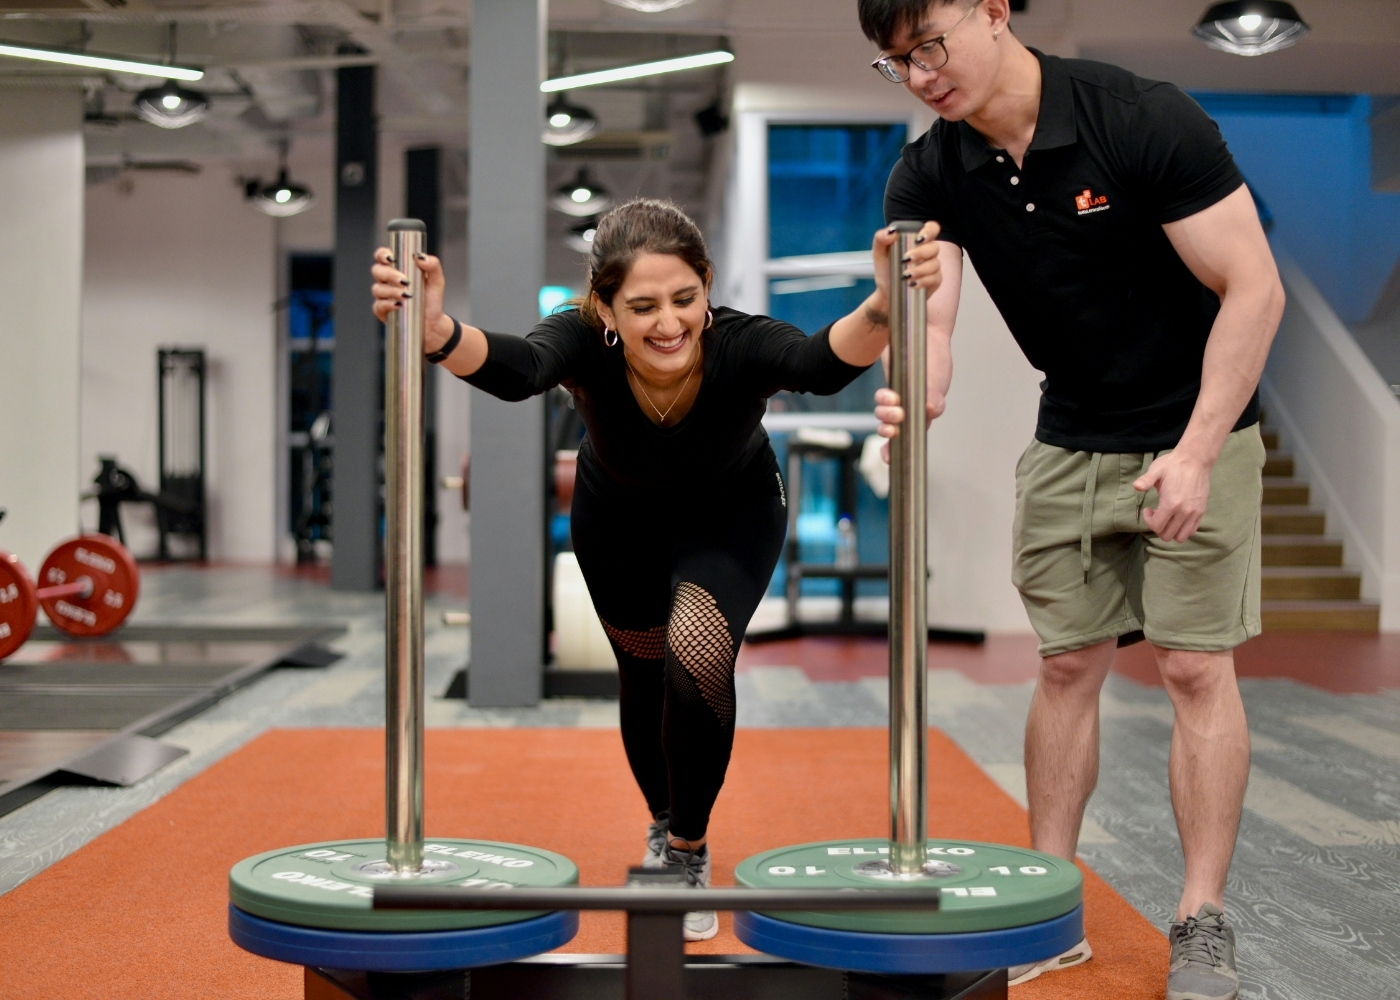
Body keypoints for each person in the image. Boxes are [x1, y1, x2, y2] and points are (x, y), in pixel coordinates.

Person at [858, 1, 1284, 996]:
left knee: (1192, 666)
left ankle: (1201, 917)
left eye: (930, 46)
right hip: (1070, 432)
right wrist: (917, 389)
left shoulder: (1138, 118)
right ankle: (1046, 907)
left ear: (993, 12)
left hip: (1196, 426)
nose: (920, 76)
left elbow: (1254, 289)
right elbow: (933, 323)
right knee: (1064, 665)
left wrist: (1194, 452)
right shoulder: (928, 172)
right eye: (896, 63)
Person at [371, 198, 942, 941]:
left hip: (731, 515)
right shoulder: (580, 337)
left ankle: (686, 851)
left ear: (706, 288)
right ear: (604, 307)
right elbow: (523, 369)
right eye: (642, 307)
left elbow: (818, 364)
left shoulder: (738, 341)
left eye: (684, 298)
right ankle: (665, 818)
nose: (669, 323)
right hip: (618, 521)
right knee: (644, 672)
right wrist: (438, 332)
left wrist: (882, 305)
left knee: (696, 655)